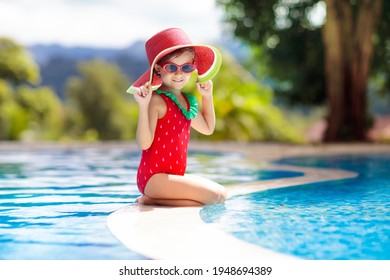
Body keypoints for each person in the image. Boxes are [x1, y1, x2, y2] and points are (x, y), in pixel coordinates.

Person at [128, 28, 227, 207]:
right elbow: (144, 144)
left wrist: (207, 96)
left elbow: (207, 128)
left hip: (173, 178)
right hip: (154, 178)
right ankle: (151, 198)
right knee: (214, 197)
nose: (179, 74)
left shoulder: (187, 102)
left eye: (187, 67)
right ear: (158, 68)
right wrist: (143, 106)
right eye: (172, 67)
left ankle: (152, 200)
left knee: (221, 195)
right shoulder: (157, 101)